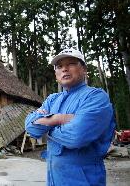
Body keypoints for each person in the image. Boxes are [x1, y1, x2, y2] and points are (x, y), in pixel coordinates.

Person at [25, 48, 116, 186]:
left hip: (85, 180)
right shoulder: (52, 99)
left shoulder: (95, 97)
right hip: (54, 180)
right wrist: (59, 119)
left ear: (84, 69)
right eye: (59, 66)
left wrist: (46, 126)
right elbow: (30, 127)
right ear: (56, 73)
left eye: (71, 64)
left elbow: (76, 136)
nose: (65, 69)